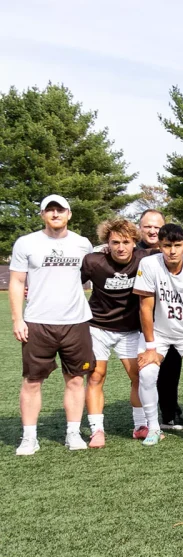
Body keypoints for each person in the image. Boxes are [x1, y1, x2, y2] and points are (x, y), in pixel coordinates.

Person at [9, 195, 96, 455]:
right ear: (42, 215)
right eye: (50, 210)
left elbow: (92, 274)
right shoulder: (26, 243)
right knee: (32, 381)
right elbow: (16, 282)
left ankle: (72, 433)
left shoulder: (83, 244)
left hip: (76, 322)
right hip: (38, 322)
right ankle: (29, 437)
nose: (55, 214)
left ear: (69, 214)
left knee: (75, 380)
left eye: (60, 210)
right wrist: (17, 318)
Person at [133, 223, 183, 445]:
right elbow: (145, 308)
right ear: (159, 245)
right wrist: (150, 348)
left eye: (177, 245)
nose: (172, 251)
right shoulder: (149, 264)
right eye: (167, 245)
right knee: (147, 374)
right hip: (158, 334)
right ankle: (152, 427)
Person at [81, 218, 149, 446]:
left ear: (134, 243)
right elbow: (68, 282)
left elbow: (177, 250)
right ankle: (96, 430)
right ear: (106, 243)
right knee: (96, 376)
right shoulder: (93, 262)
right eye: (115, 242)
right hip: (97, 327)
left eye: (126, 242)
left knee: (137, 376)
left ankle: (140, 425)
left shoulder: (144, 258)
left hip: (130, 329)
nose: (121, 247)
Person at [138, 208, 183, 429]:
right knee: (144, 371)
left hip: (172, 320)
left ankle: (169, 410)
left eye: (157, 226)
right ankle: (143, 419)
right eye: (148, 226)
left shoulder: (173, 249)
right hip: (140, 321)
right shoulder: (132, 251)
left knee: (171, 369)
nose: (153, 230)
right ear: (140, 228)